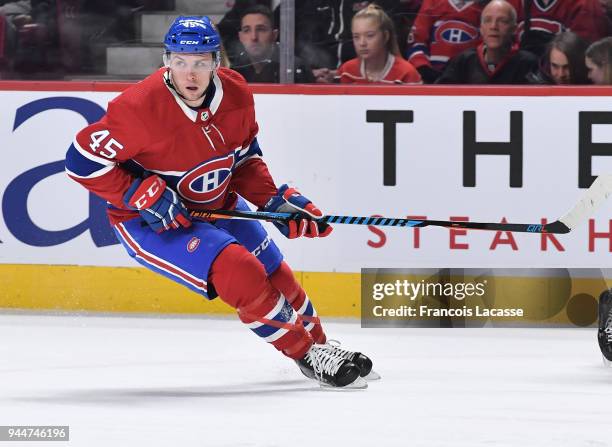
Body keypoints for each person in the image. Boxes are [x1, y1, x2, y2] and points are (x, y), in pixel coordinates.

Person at [64, 16, 376, 389]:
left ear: (217, 61)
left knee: (277, 272)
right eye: (179, 61)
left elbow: (243, 160)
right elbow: (80, 161)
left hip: (217, 201)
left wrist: (274, 200)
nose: (189, 73)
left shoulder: (238, 93)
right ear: (166, 61)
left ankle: (323, 349)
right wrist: (136, 193)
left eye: (199, 62)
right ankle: (305, 352)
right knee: (239, 269)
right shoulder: (138, 110)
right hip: (154, 222)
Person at [436, 0, 538, 84]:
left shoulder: (528, 63)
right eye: (487, 20)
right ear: (481, 28)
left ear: (514, 29)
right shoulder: (463, 61)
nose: (493, 27)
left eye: (502, 21)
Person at [337, 4, 422, 84]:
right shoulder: (346, 71)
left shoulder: (407, 73)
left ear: (385, 36)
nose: (362, 43)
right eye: (356, 37)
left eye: (370, 36)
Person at [405, 0, 484, 84]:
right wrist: (423, 67)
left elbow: (485, 47)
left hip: (468, 77)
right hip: (430, 76)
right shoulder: (432, 2)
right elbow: (416, 40)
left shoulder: (487, 7)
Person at [233, 5, 314, 83]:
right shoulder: (237, 70)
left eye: (261, 29)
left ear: (274, 35)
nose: (254, 37)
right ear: (240, 37)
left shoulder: (294, 68)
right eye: (247, 30)